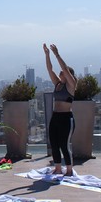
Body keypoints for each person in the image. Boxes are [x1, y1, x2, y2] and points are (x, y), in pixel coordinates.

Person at [43, 43, 76, 176]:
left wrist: (57, 54)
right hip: (55, 117)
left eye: (64, 72)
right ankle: (57, 167)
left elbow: (65, 69)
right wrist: (47, 55)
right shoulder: (58, 84)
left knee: (64, 144)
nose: (61, 72)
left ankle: (68, 169)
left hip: (66, 118)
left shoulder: (71, 86)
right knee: (54, 143)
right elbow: (50, 70)